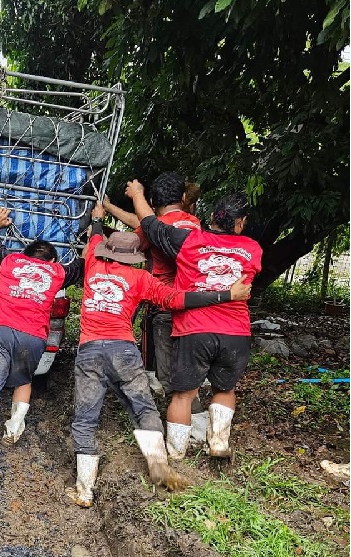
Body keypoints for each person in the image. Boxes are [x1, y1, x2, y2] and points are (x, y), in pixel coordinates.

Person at [65, 203, 252, 507]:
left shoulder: (92, 266)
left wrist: (98, 217)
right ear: (134, 257)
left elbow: (95, 235)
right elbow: (178, 299)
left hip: (89, 352)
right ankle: (158, 466)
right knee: (143, 407)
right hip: (124, 351)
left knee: (86, 419)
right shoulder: (141, 280)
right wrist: (226, 295)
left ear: (106, 253)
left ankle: (84, 489)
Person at [126, 181, 262, 461]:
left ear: (210, 217)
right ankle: (219, 444)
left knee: (183, 395)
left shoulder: (188, 241)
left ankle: (176, 453)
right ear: (240, 224)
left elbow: (150, 223)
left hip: (194, 329)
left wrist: (138, 194)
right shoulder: (253, 248)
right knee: (225, 388)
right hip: (235, 331)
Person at [0, 207, 83, 470]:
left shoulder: (10, 262)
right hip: (32, 337)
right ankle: (14, 428)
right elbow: (81, 265)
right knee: (24, 379)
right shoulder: (58, 273)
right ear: (52, 261)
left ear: (25, 255)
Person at [102, 173, 207, 442]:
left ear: (149, 200)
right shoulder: (193, 223)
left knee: (172, 374)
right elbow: (143, 222)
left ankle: (184, 435)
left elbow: (137, 235)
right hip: (195, 306)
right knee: (189, 364)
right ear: (183, 199)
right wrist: (113, 207)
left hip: (164, 305)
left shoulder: (156, 227)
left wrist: (100, 228)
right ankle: (202, 426)